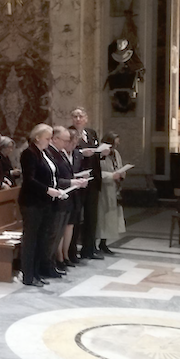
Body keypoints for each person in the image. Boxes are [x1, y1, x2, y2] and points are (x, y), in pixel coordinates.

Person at [18, 124, 68, 287]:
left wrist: (55, 190)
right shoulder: (29, 153)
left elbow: (51, 175)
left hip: (44, 202)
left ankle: (37, 272)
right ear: (38, 137)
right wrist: (47, 190)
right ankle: (28, 275)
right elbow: (29, 180)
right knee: (31, 239)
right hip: (32, 202)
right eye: (47, 138)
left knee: (41, 238)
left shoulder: (43, 153)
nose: (49, 141)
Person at [46, 126, 88, 273]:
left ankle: (63, 257)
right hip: (58, 197)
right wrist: (72, 182)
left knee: (65, 228)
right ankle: (56, 259)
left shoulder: (60, 153)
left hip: (68, 196)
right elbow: (54, 178)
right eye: (65, 140)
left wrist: (76, 180)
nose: (67, 143)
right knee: (56, 231)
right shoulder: (51, 153)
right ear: (54, 139)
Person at [71, 107, 109, 259]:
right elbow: (66, 152)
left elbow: (96, 153)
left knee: (91, 216)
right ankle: (72, 251)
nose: (78, 119)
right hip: (78, 179)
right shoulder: (69, 133)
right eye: (75, 116)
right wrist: (81, 153)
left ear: (86, 118)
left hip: (93, 179)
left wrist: (102, 154)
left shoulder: (91, 133)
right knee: (75, 217)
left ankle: (89, 249)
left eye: (81, 116)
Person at [97, 132, 126, 255]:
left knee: (110, 218)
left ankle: (104, 242)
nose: (116, 147)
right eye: (114, 144)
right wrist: (111, 176)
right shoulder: (100, 154)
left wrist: (122, 173)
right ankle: (95, 243)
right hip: (102, 189)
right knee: (101, 217)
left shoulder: (115, 153)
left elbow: (119, 167)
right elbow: (97, 172)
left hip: (114, 189)